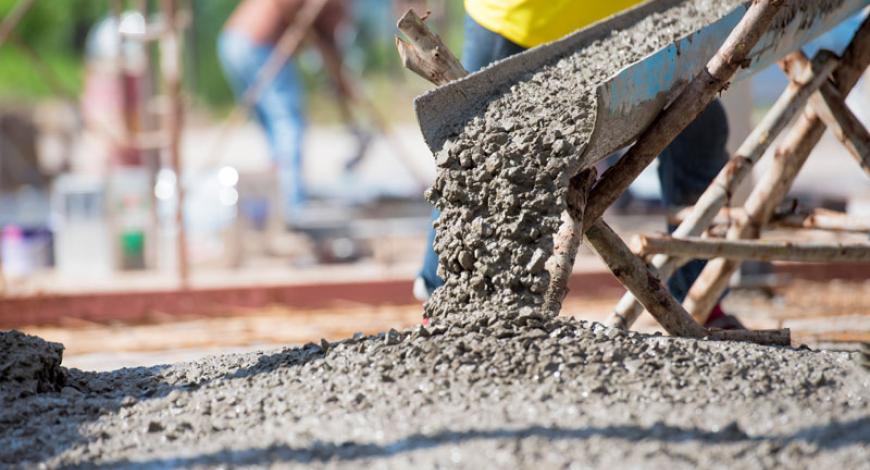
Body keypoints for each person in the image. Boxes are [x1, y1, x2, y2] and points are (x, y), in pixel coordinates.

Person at [413, 0, 742, 329]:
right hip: (519, 21)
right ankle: (445, 303)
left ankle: (703, 298)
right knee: (476, 161)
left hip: (637, 24)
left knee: (700, 133)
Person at [218, 0, 345, 225]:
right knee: (288, 122)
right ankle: (291, 206)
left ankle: (278, 199)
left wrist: (341, 85)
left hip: (233, 41)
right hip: (257, 42)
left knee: (275, 129)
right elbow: (327, 35)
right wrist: (341, 82)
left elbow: (327, 40)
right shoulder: (332, 5)